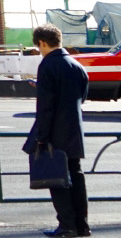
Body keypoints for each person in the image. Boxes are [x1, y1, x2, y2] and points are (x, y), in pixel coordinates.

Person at [26, 24, 90, 237]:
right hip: (74, 130)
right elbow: (82, 96)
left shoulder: (47, 66)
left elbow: (45, 106)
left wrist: (42, 138)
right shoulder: (76, 64)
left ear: (42, 43)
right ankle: (82, 226)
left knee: (58, 180)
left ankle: (67, 226)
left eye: (39, 46)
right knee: (76, 177)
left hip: (55, 132)